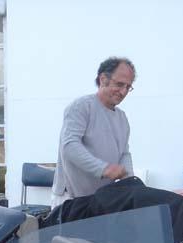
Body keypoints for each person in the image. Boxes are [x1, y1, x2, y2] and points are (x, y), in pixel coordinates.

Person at [51, 57, 136, 208]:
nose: (123, 91)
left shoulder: (122, 118)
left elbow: (124, 153)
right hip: (71, 198)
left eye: (128, 87)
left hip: (101, 199)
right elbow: (69, 146)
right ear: (103, 79)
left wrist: (130, 182)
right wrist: (103, 169)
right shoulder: (81, 107)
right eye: (119, 84)